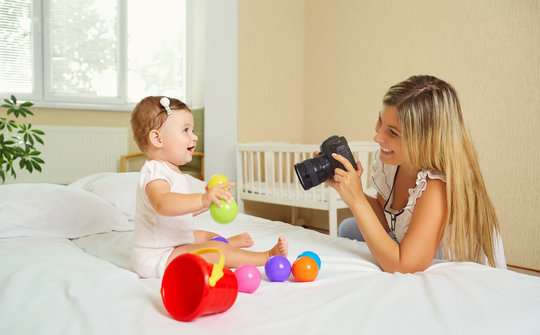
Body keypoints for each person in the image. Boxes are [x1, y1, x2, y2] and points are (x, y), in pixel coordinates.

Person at [329, 75, 505, 273]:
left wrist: (357, 202)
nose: (377, 136)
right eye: (380, 120)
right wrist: (351, 190)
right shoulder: (395, 162)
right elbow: (385, 215)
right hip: (408, 244)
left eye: (393, 132)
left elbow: (404, 267)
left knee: (353, 226)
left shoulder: (437, 186)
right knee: (348, 227)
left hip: (443, 265)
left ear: (426, 141)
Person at [130, 96, 288, 278]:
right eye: (186, 130)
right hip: (157, 257)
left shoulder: (174, 172)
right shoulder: (155, 171)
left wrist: (206, 204)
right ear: (158, 138)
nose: (194, 136)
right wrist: (202, 199)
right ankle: (266, 256)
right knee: (214, 249)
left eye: (192, 130)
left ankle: (226, 244)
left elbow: (180, 210)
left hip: (174, 242)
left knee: (205, 236)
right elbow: (163, 204)